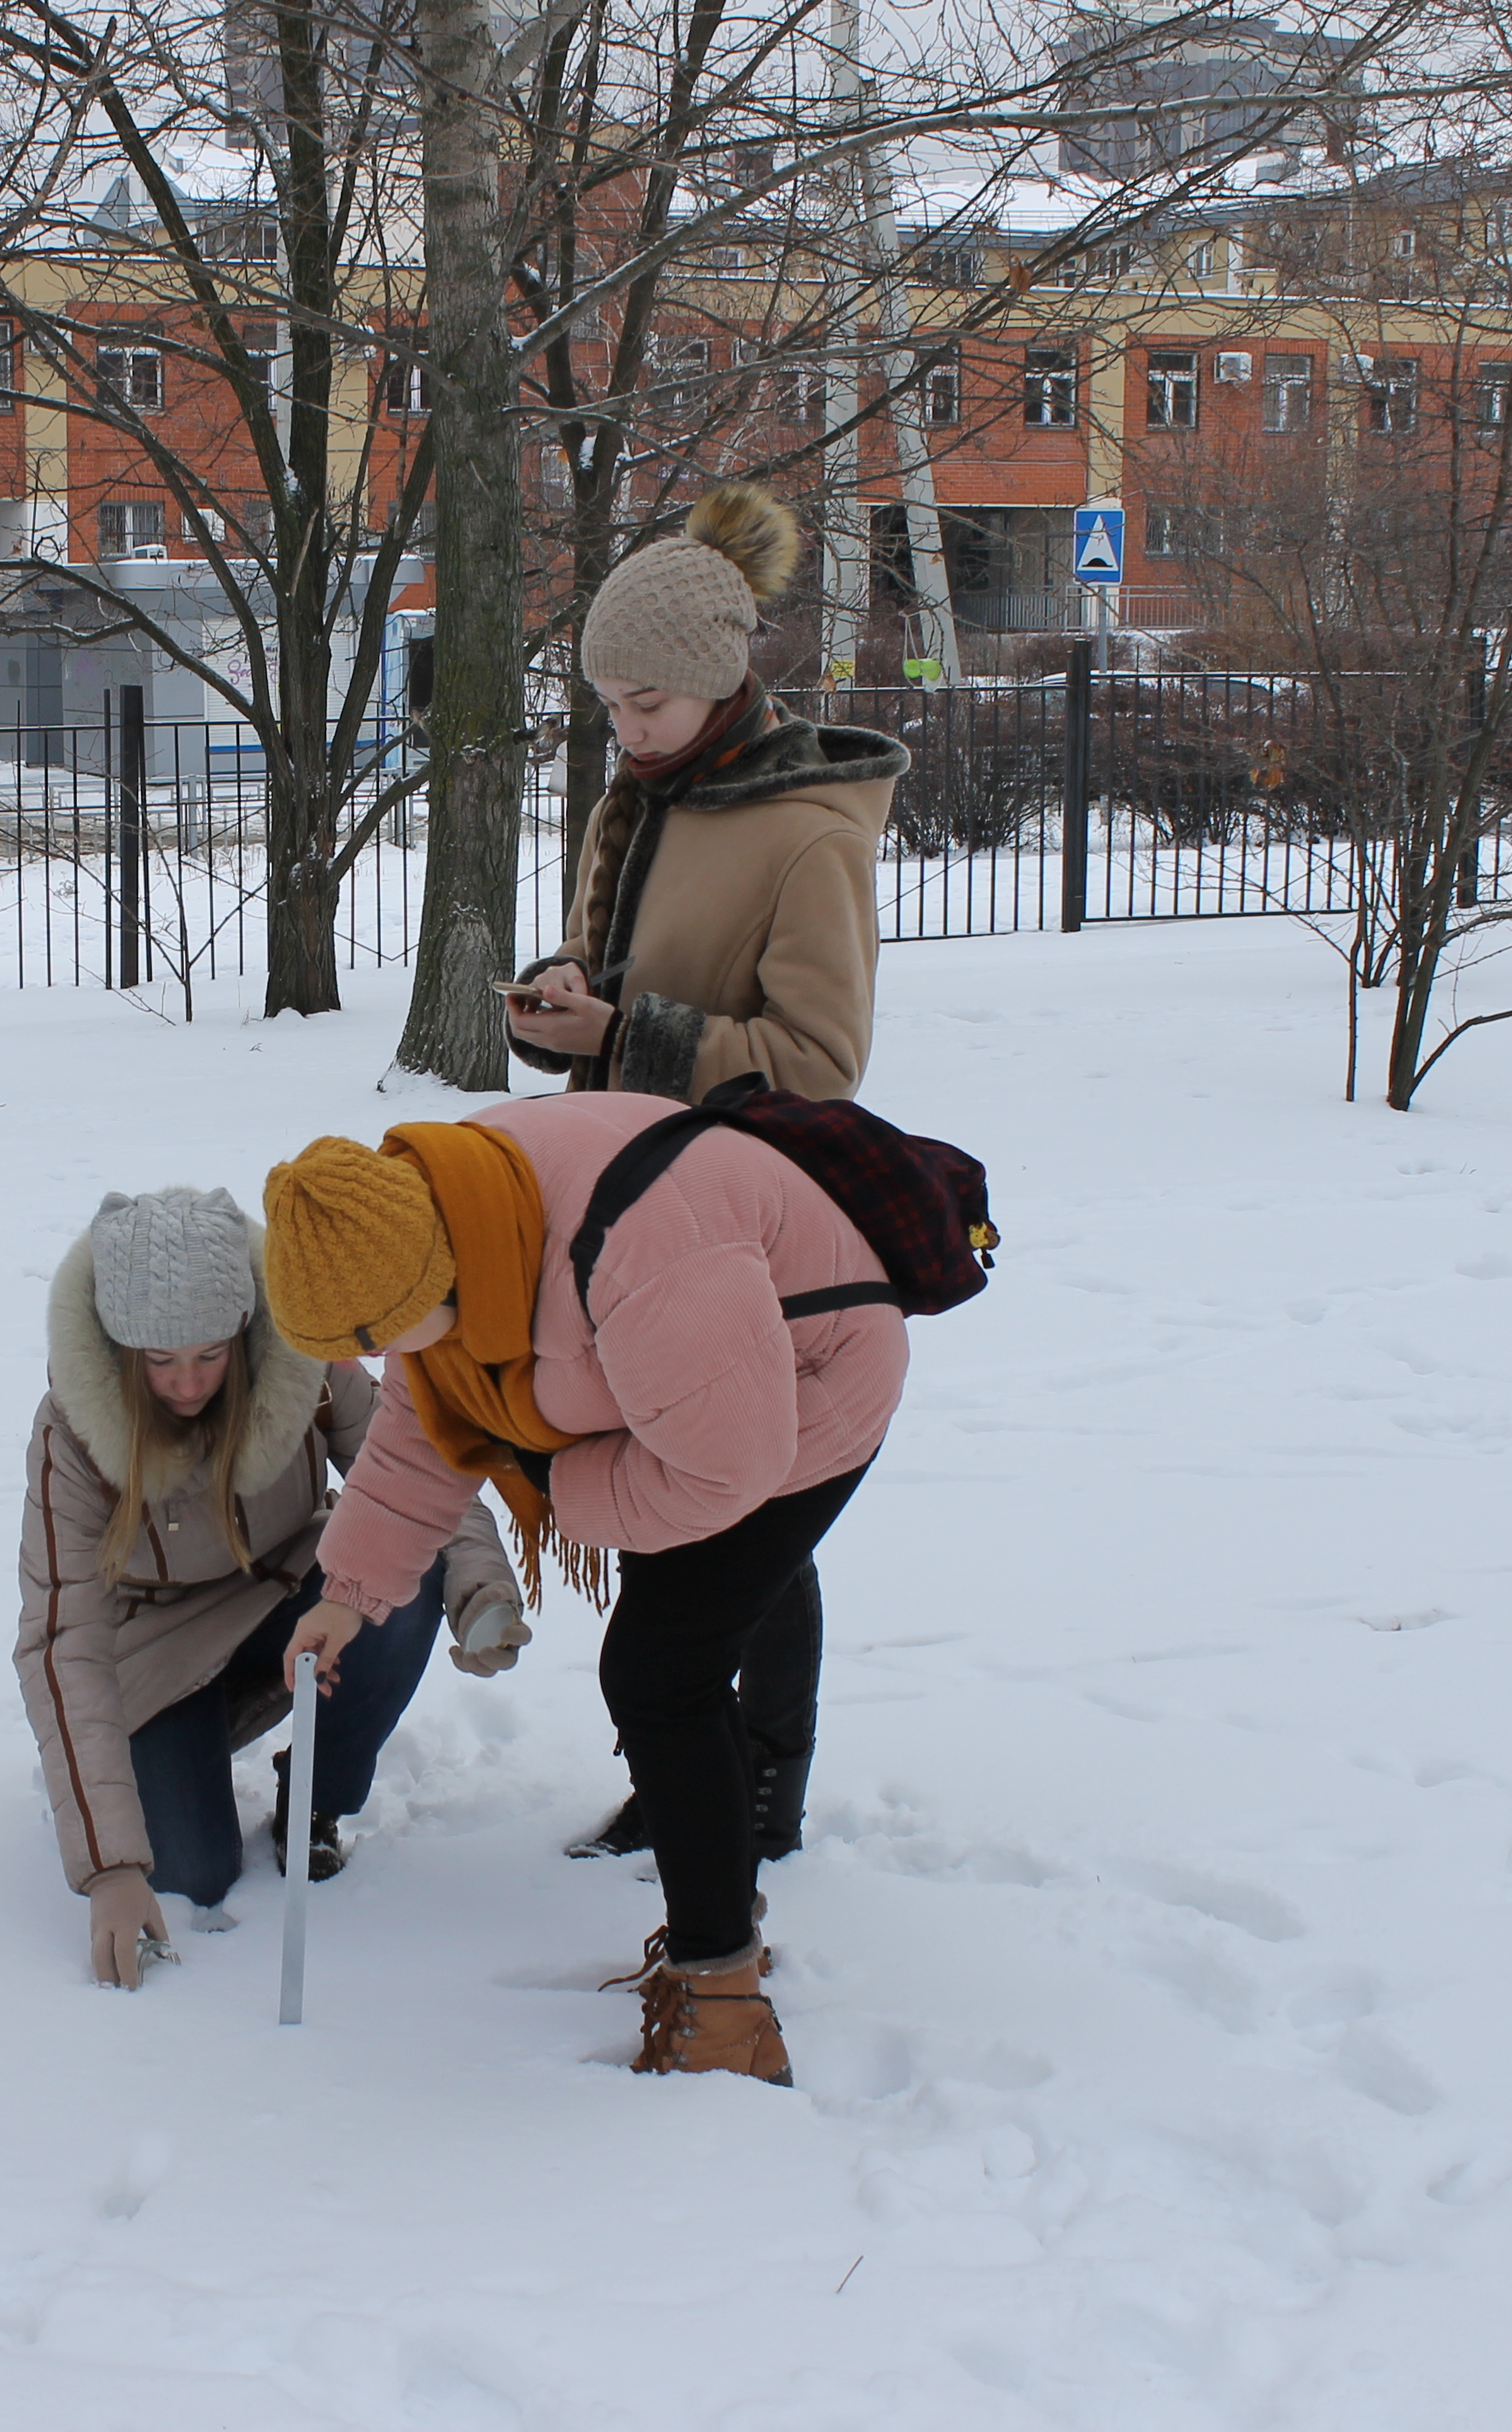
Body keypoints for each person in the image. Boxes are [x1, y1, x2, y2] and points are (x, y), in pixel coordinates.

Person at [255, 1097, 908, 2081]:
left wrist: (558, 1485)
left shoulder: (640, 1254)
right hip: (674, 1398)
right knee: (665, 1669)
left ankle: (725, 2008)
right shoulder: (444, 1222)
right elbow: (423, 1425)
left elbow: (728, 1466)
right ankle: (721, 1908)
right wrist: (347, 1592)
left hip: (805, 1397)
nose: (386, 1356)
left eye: (385, 1332)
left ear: (431, 1272)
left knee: (661, 1674)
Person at [504, 481, 910, 1869]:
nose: (624, 729)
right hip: (630, 1214)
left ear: (721, 678)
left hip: (750, 1230)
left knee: (747, 1515)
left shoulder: (808, 830)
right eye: (606, 705)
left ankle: (757, 1784)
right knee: (679, 1500)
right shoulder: (645, 795)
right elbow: (616, 973)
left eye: (647, 704)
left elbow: (819, 1062)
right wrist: (562, 1000)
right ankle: (690, 1766)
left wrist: (624, 1031)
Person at [16, 1185, 524, 1990]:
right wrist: (109, 1869)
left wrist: (481, 1587)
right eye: (160, 1362)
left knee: (408, 1567)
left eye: (210, 1355)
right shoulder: (71, 1431)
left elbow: (412, 1476)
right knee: (192, 1874)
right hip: (158, 1646)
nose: (188, 1384)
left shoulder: (307, 1365)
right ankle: (179, 1754)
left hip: (296, 1591)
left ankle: (315, 1800)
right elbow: (61, 1640)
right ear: (119, 1348)